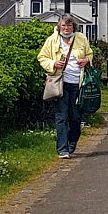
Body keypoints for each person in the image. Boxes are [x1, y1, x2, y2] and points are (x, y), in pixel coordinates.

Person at [38, 16, 93, 158]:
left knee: (75, 117)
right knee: (61, 116)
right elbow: (42, 57)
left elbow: (89, 54)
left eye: (69, 26)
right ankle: (62, 149)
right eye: (63, 26)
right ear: (59, 27)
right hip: (60, 83)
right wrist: (53, 64)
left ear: (73, 27)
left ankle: (72, 141)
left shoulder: (81, 38)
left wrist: (86, 60)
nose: (66, 28)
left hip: (78, 83)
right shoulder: (52, 40)